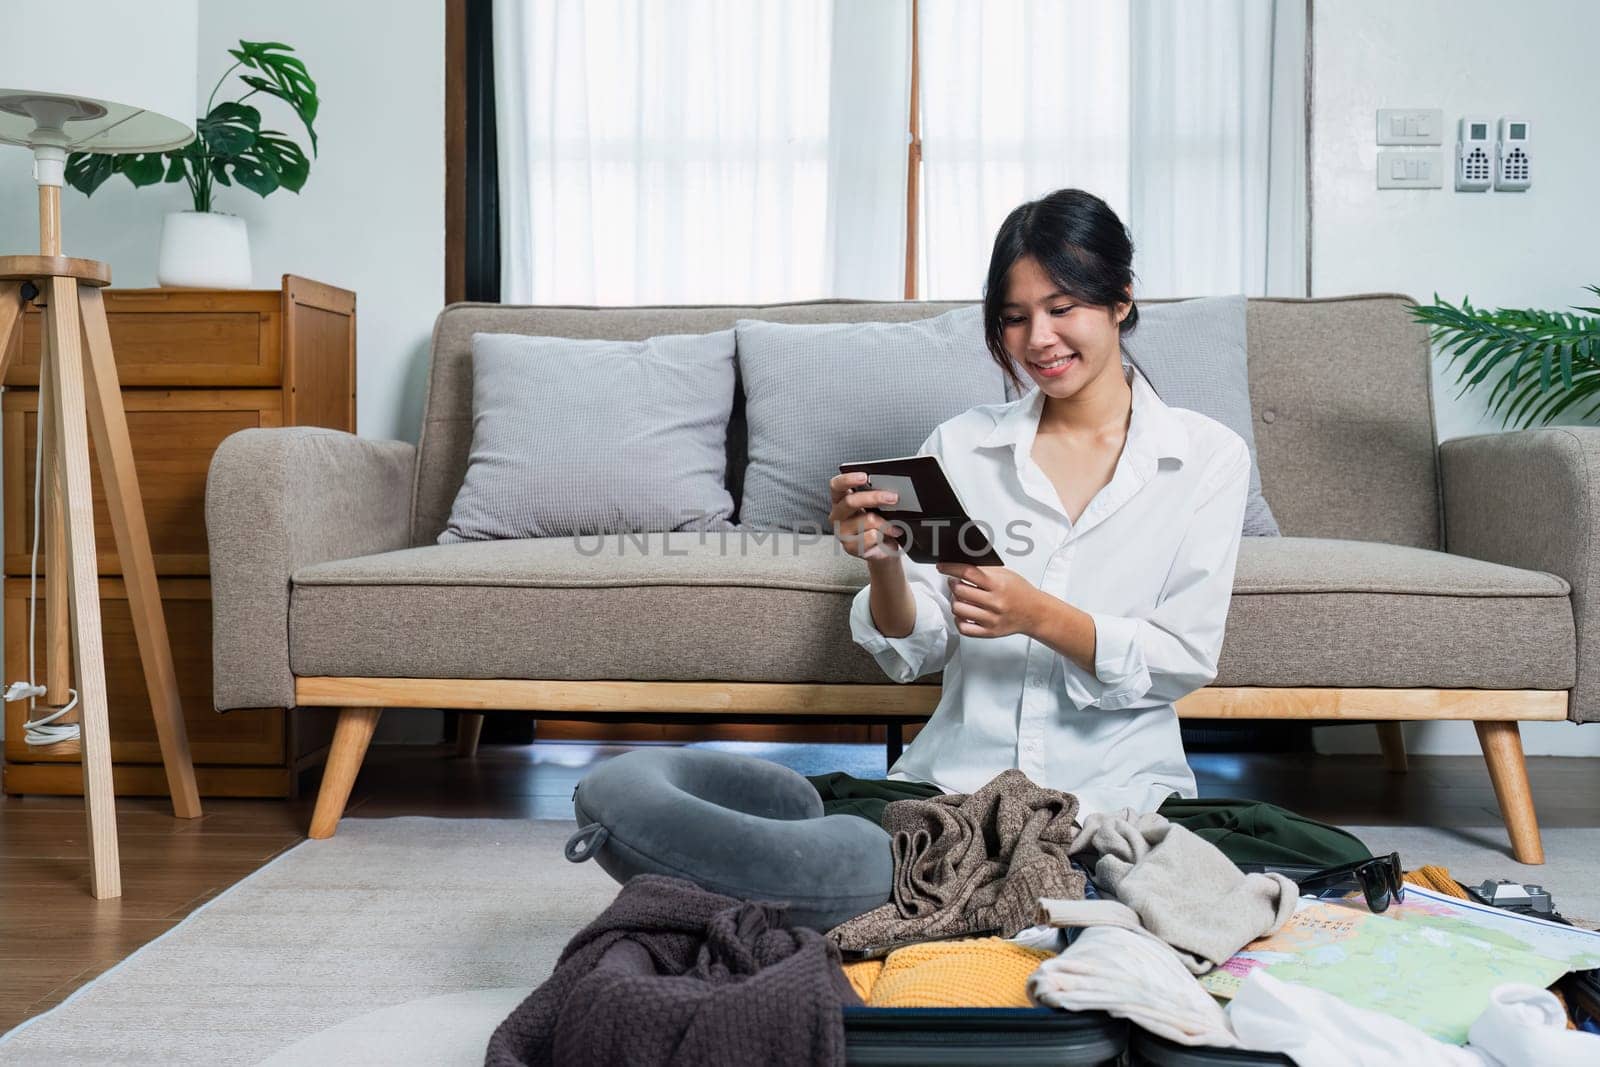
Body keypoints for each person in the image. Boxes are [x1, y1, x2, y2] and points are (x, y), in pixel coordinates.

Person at [828, 188, 1251, 819]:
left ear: (1120, 299)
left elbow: (1181, 657)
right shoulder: (964, 445)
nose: (1040, 339)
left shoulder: (1206, 457)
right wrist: (883, 563)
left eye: (1062, 308)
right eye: (1015, 317)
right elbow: (916, 647)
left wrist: (1035, 613)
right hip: (955, 786)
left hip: (1118, 796)